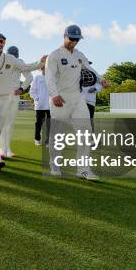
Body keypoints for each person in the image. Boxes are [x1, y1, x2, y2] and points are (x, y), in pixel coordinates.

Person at [0, 34, 44, 169]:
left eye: (2, 42)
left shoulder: (12, 60)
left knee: (2, 127)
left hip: (7, 97)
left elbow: (27, 70)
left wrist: (41, 63)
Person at [45, 25, 103, 180]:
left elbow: (89, 68)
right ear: (64, 36)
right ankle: (54, 164)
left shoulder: (79, 55)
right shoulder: (54, 55)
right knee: (57, 134)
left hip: (77, 98)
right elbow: (49, 77)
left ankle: (83, 169)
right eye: (71, 38)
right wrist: (54, 94)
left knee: (86, 132)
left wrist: (101, 79)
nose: (74, 42)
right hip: (60, 98)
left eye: (77, 39)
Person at [0, 45, 34, 159]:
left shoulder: (19, 62)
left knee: (9, 123)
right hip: (3, 95)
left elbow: (29, 77)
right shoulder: (1, 61)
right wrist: (22, 88)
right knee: (3, 123)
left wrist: (22, 89)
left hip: (13, 95)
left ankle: (7, 149)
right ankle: (1, 150)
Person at [30, 67, 50, 146]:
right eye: (44, 68)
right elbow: (32, 90)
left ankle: (48, 140)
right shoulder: (37, 78)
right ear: (41, 69)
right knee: (39, 123)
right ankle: (37, 139)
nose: (45, 69)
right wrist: (37, 98)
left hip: (50, 104)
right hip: (40, 104)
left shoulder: (53, 78)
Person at [80, 64, 103, 132]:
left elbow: (100, 84)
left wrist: (95, 88)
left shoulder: (95, 75)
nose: (83, 66)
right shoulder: (75, 74)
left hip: (90, 101)